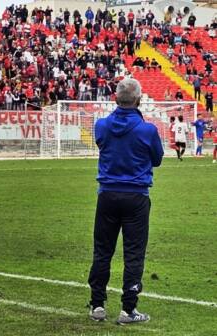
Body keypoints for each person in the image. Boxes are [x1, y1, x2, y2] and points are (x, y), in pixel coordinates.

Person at [88, 79, 163, 324]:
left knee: (102, 251)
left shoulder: (101, 125)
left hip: (107, 195)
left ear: (115, 98)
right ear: (139, 100)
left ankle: (97, 305)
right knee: (133, 254)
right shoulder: (147, 130)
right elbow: (157, 159)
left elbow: (103, 144)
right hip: (136, 196)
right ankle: (128, 310)